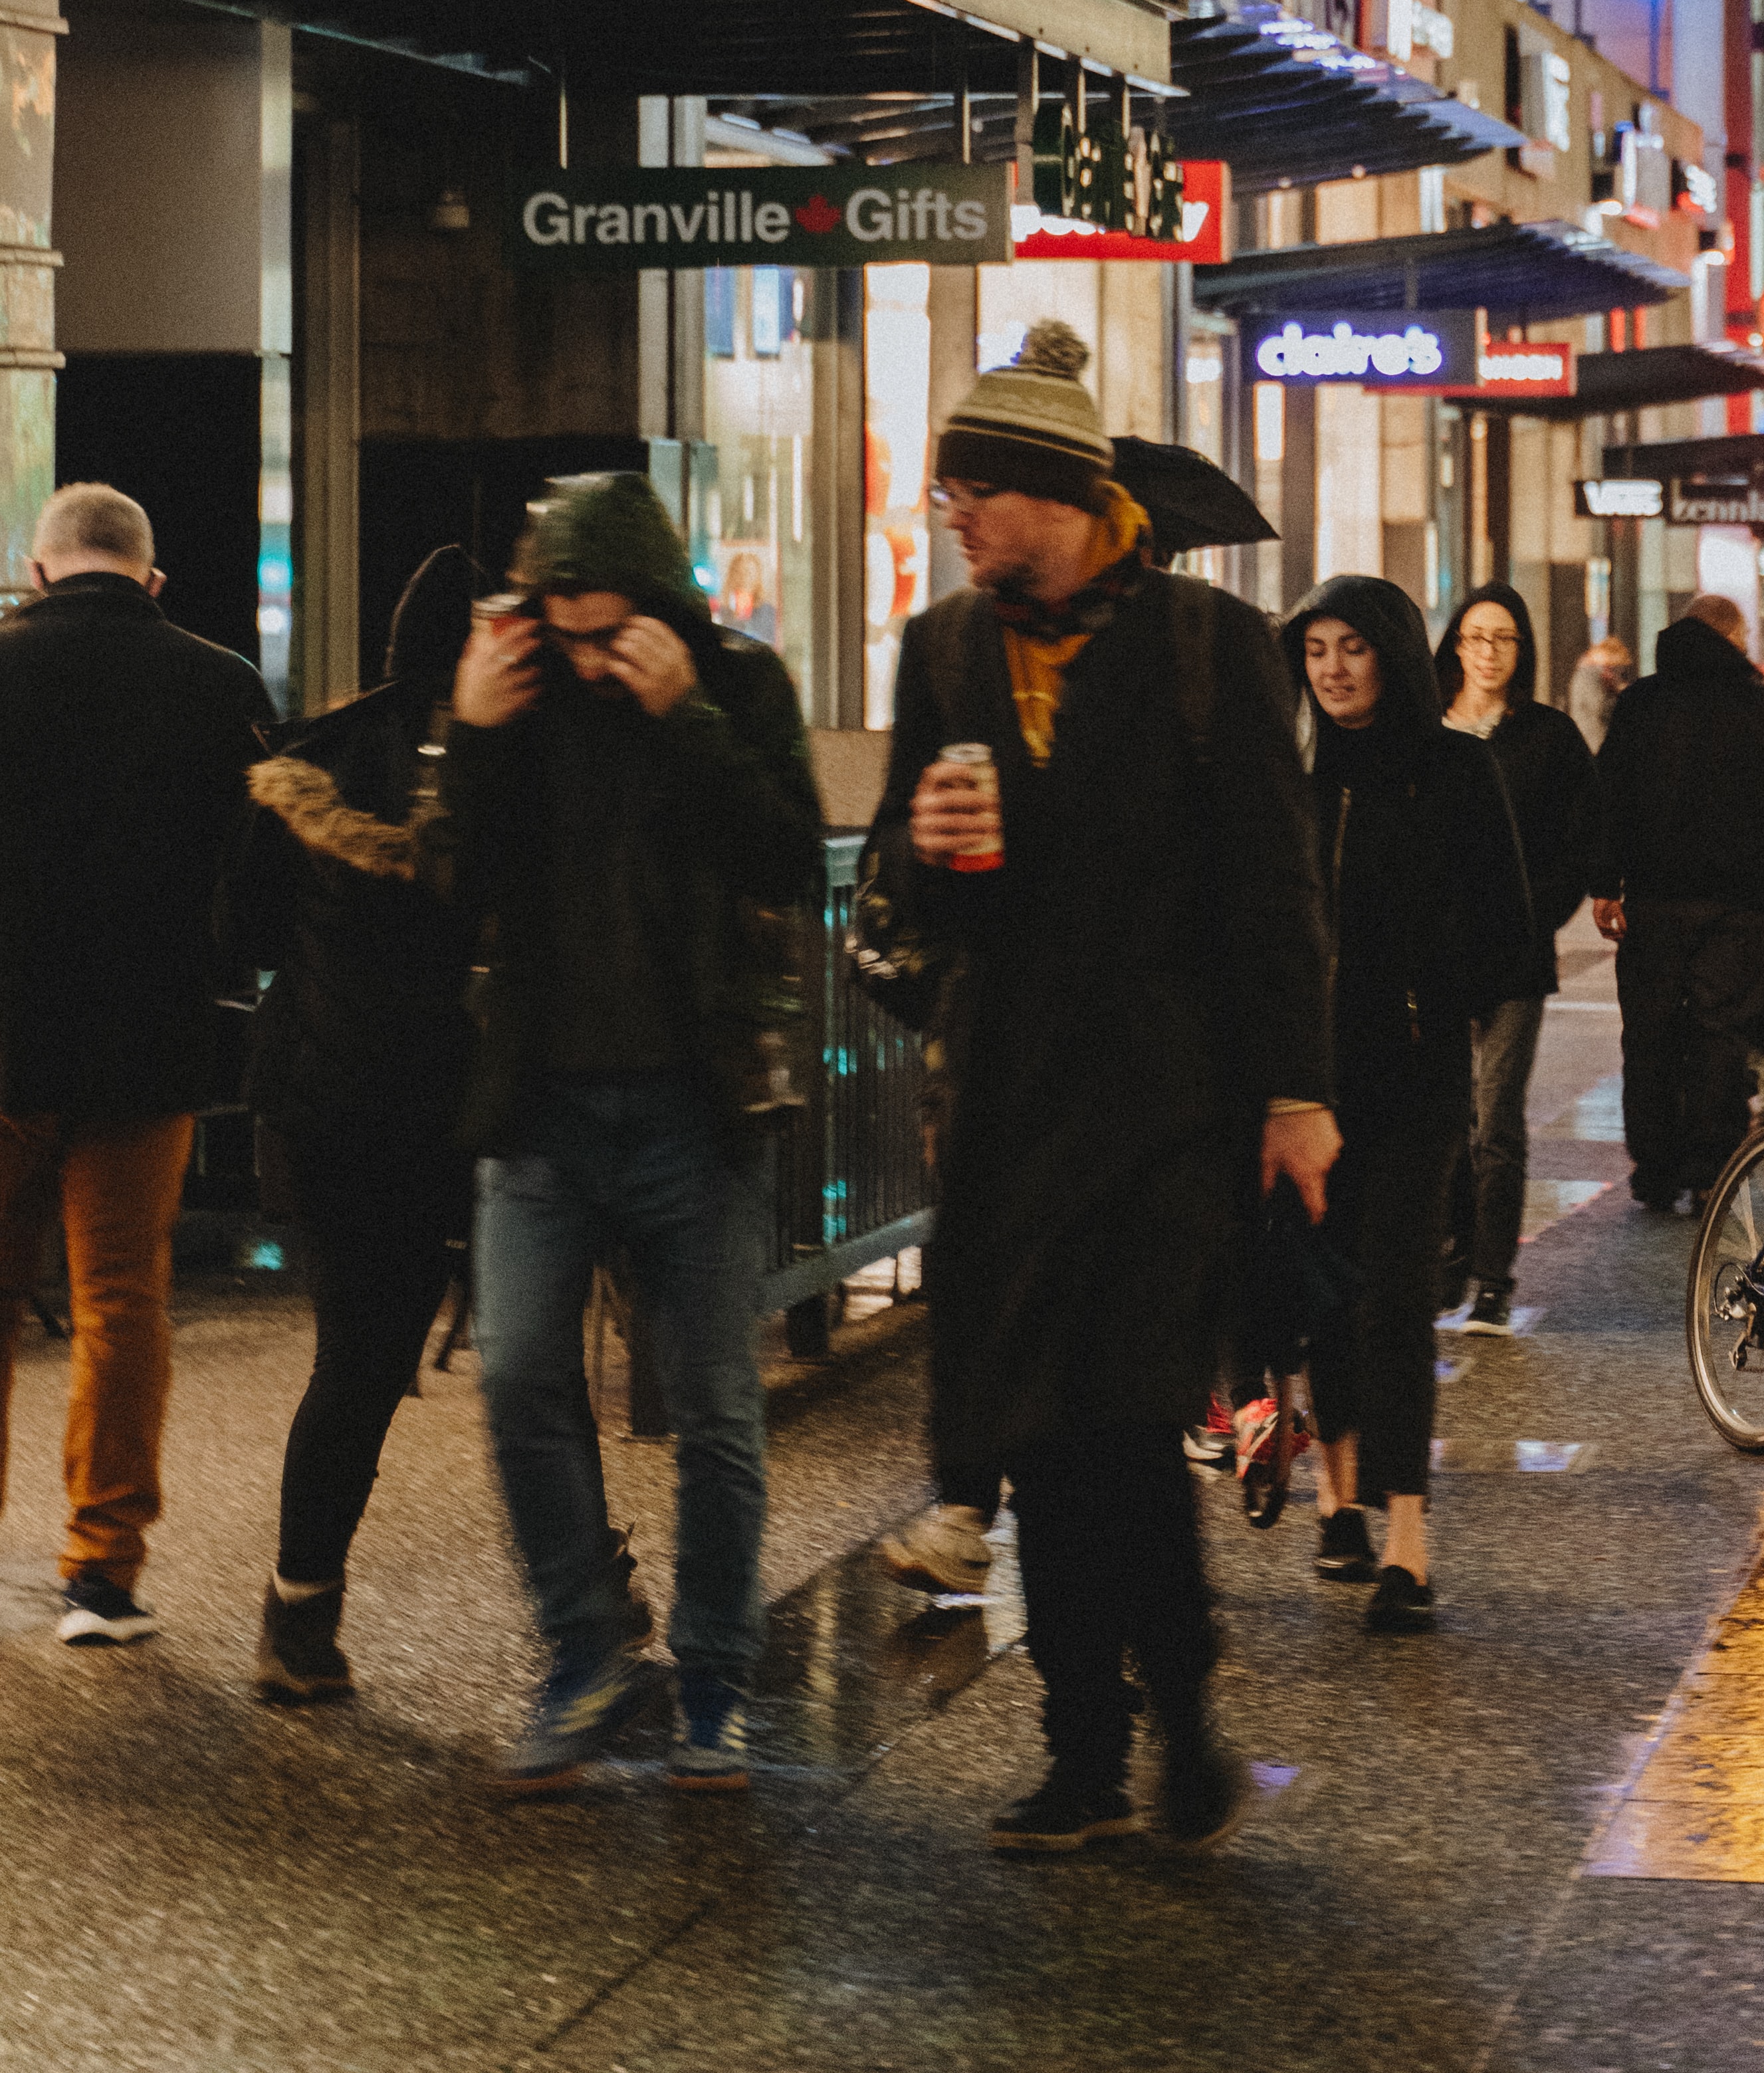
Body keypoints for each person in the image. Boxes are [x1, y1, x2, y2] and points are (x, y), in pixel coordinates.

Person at [869, 326, 1335, 1854]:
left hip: (1167, 1108)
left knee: (1125, 1425)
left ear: (1057, 497)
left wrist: (1294, 1093)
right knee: (1042, 1435)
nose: (954, 516)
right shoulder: (940, 652)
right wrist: (924, 862)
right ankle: (1083, 1747)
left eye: (973, 493)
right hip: (1004, 1108)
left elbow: (1276, 890)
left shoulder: (1210, 648)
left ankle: (1179, 1717)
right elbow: (893, 901)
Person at [445, 471, 822, 1792]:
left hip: (691, 1104)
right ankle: (585, 1651)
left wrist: (686, 718)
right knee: (516, 1377)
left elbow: (789, 856)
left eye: (611, 632)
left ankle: (715, 1682)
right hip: (541, 1105)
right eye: (567, 632)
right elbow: (451, 884)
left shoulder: (737, 685)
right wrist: (474, 732)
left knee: (718, 1408)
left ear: (657, 607)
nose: (589, 657)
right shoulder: (518, 693)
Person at [0, 484, 274, 1646]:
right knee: (123, 1303)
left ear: (37, 567)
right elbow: (259, 890)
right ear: (150, 580)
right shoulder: (223, 685)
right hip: (148, 1046)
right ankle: (101, 1575)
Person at [234, 548, 481, 1704]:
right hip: (460, 1110)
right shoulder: (505, 771)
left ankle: (301, 1616)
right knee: (529, 1367)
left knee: (358, 1360)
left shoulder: (308, 762)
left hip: (325, 1105)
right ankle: (600, 1610)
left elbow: (244, 934)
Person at [1285, 577, 1535, 1636]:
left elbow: (1510, 929)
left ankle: (1408, 1543)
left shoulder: (1454, 768)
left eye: (1353, 648)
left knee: (1394, 1300)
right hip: (1307, 1091)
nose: (1334, 669)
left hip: (1415, 1082)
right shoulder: (1292, 780)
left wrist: (1438, 1004)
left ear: (1391, 652)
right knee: (1323, 1301)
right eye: (1316, 651)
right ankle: (1335, 1495)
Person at [1591, 594, 1764, 1206]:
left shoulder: (1639, 705)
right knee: (1720, 1034)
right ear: (1732, 637)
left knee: (1650, 1032)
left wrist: (1603, 885)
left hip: (1654, 903)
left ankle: (1655, 1168)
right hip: (1738, 907)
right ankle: (1710, 1167)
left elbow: (1608, 797)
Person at [1432, 585, 1597, 1330]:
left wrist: (1539, 914)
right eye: (1475, 637)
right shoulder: (1424, 730)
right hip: (1430, 955)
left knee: (1496, 1120)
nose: (1488, 653)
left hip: (1512, 958)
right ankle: (1446, 1257)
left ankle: (1492, 1275)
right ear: (1454, 645)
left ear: (1522, 649)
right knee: (1440, 1120)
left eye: (1503, 638)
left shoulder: (1549, 737)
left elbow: (1579, 839)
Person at [1564, 632, 1633, 752]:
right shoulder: (1590, 675)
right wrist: (1621, 696)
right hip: (1596, 744)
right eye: (1614, 666)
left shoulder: (1588, 674)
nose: (1614, 671)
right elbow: (1600, 708)